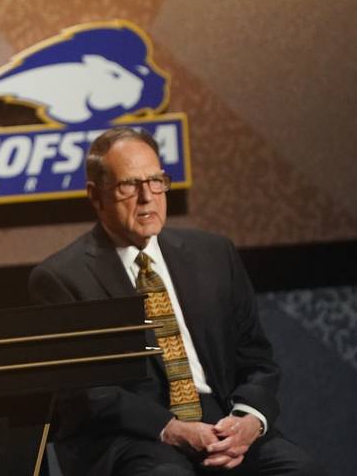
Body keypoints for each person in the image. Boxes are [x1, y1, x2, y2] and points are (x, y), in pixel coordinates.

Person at [28, 127, 324, 475]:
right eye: (128, 185)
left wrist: (249, 420)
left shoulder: (214, 254)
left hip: (223, 419)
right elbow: (86, 393)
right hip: (133, 435)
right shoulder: (62, 278)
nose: (147, 197)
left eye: (156, 181)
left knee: (301, 469)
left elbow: (257, 358)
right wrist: (171, 428)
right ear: (96, 196)